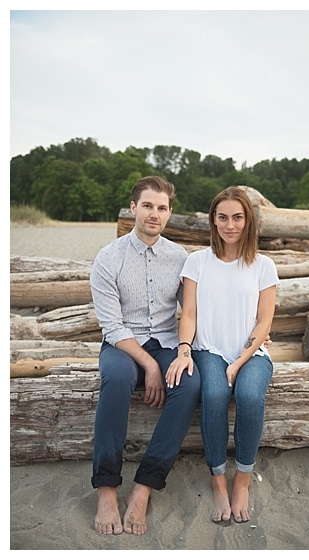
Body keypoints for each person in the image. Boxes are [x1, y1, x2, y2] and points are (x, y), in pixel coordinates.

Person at [90, 176, 199, 536]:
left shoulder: (180, 257)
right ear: (133, 208)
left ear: (170, 213)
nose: (155, 214)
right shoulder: (109, 258)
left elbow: (194, 310)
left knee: (189, 382)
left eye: (162, 208)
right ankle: (107, 488)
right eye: (148, 206)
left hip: (168, 342)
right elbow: (112, 325)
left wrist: (255, 332)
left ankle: (144, 487)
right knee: (118, 379)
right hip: (123, 345)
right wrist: (149, 365)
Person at [167, 186, 279, 524]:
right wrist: (184, 349)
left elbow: (264, 321)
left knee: (247, 395)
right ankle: (218, 480)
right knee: (214, 393)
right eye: (223, 217)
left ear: (248, 221)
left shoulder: (263, 265)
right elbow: (188, 314)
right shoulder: (197, 262)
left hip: (252, 352)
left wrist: (240, 362)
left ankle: (242, 480)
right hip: (208, 349)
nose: (230, 225)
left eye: (237, 217)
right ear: (213, 221)